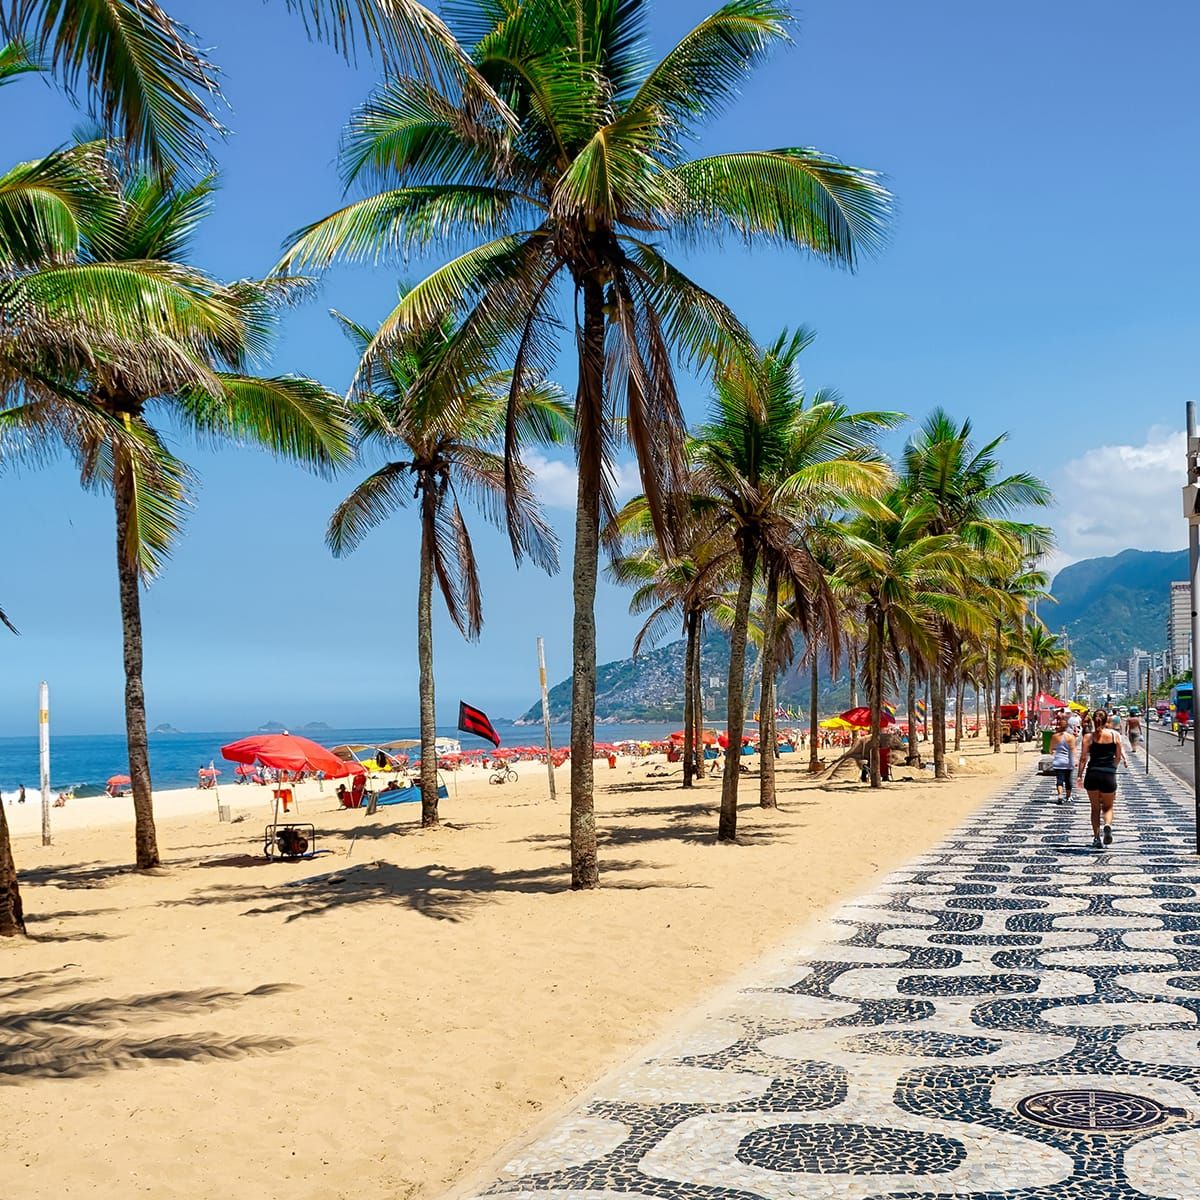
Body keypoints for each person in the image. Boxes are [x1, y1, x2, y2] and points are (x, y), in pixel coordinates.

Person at [1076, 708, 1125, 849]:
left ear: (1092, 720)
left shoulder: (1087, 737)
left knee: (1095, 808)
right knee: (1108, 807)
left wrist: (1079, 775)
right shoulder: (1115, 736)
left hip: (1092, 775)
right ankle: (1108, 826)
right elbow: (1118, 756)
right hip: (1108, 775)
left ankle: (1097, 838)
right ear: (1107, 721)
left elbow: (1083, 758)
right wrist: (1112, 768)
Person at [1048, 710, 1076, 805]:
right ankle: (1068, 796)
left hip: (1058, 761)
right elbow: (1073, 750)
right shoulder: (1071, 737)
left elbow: (1051, 749)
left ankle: (1060, 795)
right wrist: (1075, 760)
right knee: (1068, 780)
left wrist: (1053, 752)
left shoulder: (1055, 736)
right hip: (1068, 762)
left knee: (1059, 780)